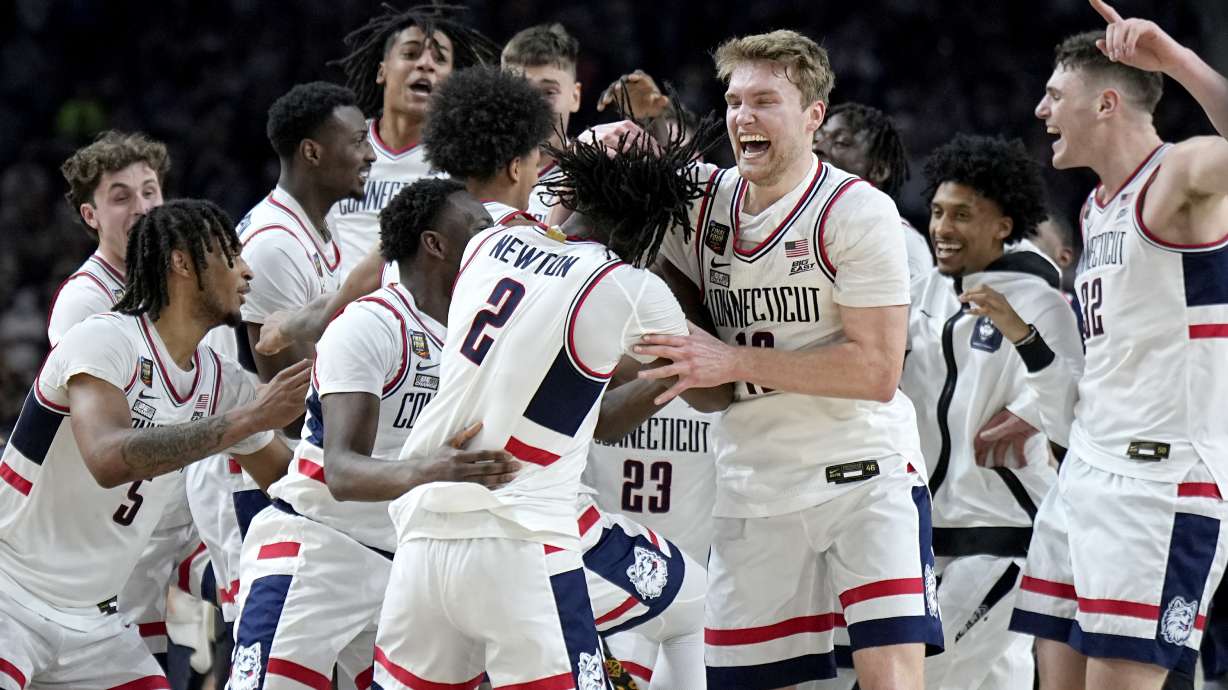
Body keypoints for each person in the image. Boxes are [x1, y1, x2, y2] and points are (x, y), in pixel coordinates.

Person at [372, 103, 727, 690]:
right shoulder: (633, 289)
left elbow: (550, 234)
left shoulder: (488, 243)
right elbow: (710, 389)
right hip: (527, 543)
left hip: (424, 536)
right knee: (698, 606)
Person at [626, 30, 941, 690]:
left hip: (863, 475)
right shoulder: (700, 200)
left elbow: (875, 372)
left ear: (812, 116)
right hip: (754, 482)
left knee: (890, 677)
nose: (743, 117)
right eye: (735, 101)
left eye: (765, 101)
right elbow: (588, 171)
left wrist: (729, 359)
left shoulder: (858, 211)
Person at [1003, 2, 1228, 689]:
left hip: (1158, 484)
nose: (1040, 110)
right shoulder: (1096, 206)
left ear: (1105, 103)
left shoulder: (1180, 179)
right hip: (1087, 473)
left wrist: (1177, 61)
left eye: (1054, 94)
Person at [0, 199, 307, 690]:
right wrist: (247, 417)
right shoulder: (104, 339)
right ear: (183, 263)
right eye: (232, 257)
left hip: (94, 625)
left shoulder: (219, 381)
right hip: (10, 596)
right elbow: (107, 458)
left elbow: (291, 485)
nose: (247, 271)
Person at [228, 178, 517, 689]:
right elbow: (342, 470)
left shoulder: (479, 336)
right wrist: (437, 469)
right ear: (435, 243)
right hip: (318, 548)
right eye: (477, 226)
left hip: (402, 565)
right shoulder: (371, 325)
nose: (491, 235)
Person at [900, 134, 1083, 690]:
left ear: (1004, 225)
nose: (943, 228)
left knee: (919, 678)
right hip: (928, 533)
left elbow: (1073, 409)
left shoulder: (1037, 297)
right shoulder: (919, 293)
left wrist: (1024, 354)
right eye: (936, 212)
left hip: (1002, 533)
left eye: (963, 215)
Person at [54, 130, 215, 670]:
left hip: (185, 527)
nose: (142, 206)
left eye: (150, 191)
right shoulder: (87, 302)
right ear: (90, 215)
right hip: (115, 537)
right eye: (120, 196)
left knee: (207, 665)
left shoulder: (187, 286)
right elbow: (102, 444)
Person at [328, 3, 497, 277]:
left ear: (451, 80)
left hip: (409, 314)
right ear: (382, 70)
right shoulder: (338, 146)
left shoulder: (463, 166)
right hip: (328, 309)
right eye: (410, 53)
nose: (425, 64)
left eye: (439, 60)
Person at [812, 102, 933, 280]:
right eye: (816, 138)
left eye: (841, 142)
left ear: (878, 171)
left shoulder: (901, 245)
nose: (817, 147)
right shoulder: (787, 233)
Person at [500, 22, 583, 224]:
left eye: (548, 92)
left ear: (575, 97)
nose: (533, 105)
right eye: (519, 90)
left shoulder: (589, 181)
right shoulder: (476, 173)